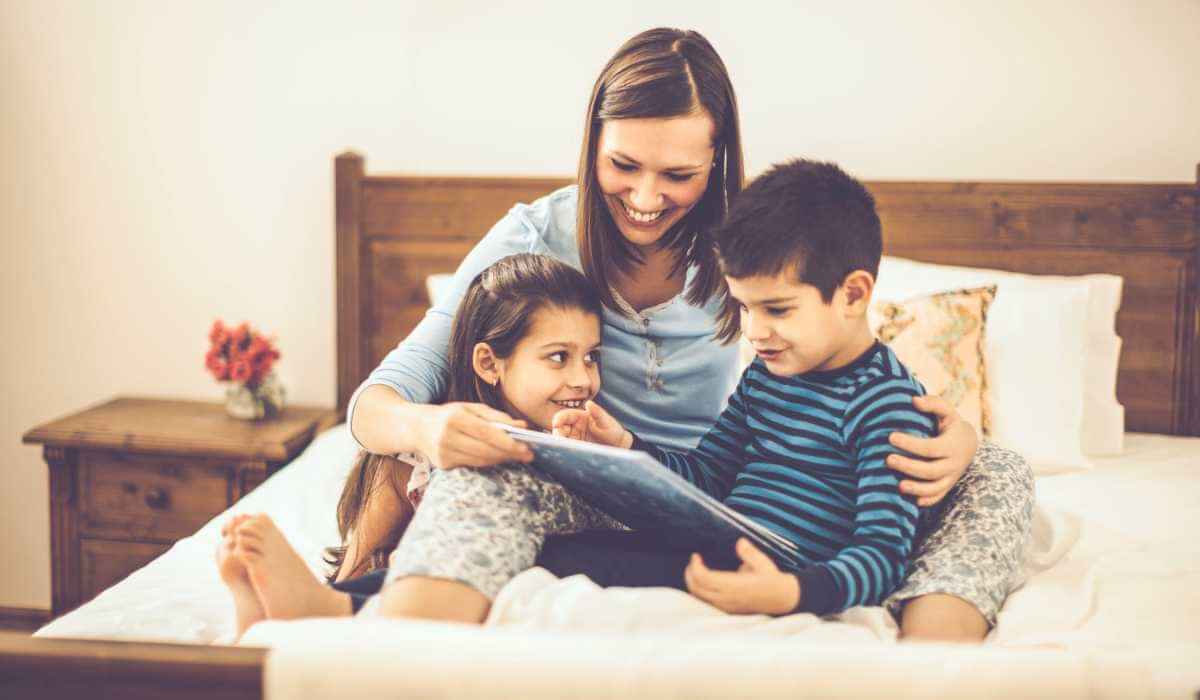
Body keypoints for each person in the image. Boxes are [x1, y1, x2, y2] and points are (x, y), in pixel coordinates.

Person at [238, 27, 1031, 640]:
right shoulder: (536, 236)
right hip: (614, 481)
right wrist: (431, 427)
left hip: (729, 507)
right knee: (500, 470)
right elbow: (381, 400)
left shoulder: (757, 249)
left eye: (679, 176)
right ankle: (356, 619)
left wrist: (951, 434)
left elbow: (844, 372)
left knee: (999, 469)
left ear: (719, 164)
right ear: (592, 142)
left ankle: (933, 660)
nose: (646, 198)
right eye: (623, 165)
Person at [545, 159, 957, 616]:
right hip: (715, 547)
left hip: (784, 575)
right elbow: (706, 479)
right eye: (743, 308)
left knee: (566, 564)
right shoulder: (764, 376)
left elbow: (883, 556)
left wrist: (792, 593)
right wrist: (623, 445)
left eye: (777, 310)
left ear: (854, 295)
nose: (754, 332)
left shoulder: (888, 405)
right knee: (560, 551)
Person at [217, 253, 625, 637]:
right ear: (489, 363)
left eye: (591, 358)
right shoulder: (414, 461)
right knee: (387, 494)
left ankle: (310, 617)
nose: (583, 379)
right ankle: (297, 616)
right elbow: (364, 559)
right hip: (434, 579)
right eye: (558, 358)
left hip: (540, 566)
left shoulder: (588, 437)